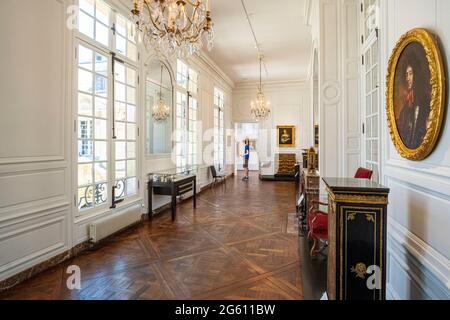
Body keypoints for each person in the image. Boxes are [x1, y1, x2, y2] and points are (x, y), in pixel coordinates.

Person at [398, 64, 430, 149]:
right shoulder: (407, 104)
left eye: (410, 74)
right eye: (406, 74)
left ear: (417, 75)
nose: (407, 78)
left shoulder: (424, 101)